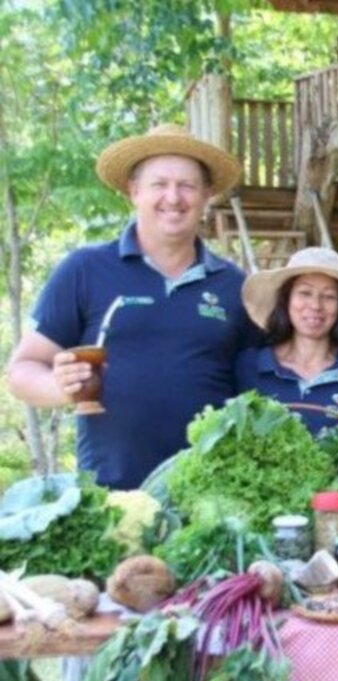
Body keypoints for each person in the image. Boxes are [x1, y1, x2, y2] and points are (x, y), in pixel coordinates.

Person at [6, 124, 259, 490]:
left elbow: (266, 372)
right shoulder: (85, 269)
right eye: (159, 184)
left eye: (187, 185)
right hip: (111, 496)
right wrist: (60, 388)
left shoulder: (234, 284)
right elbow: (22, 370)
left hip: (211, 495)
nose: (173, 197)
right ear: (133, 191)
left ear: (207, 195)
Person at [235, 247, 338, 433]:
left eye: (329, 296)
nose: (316, 305)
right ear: (286, 300)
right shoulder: (248, 366)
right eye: (305, 293)